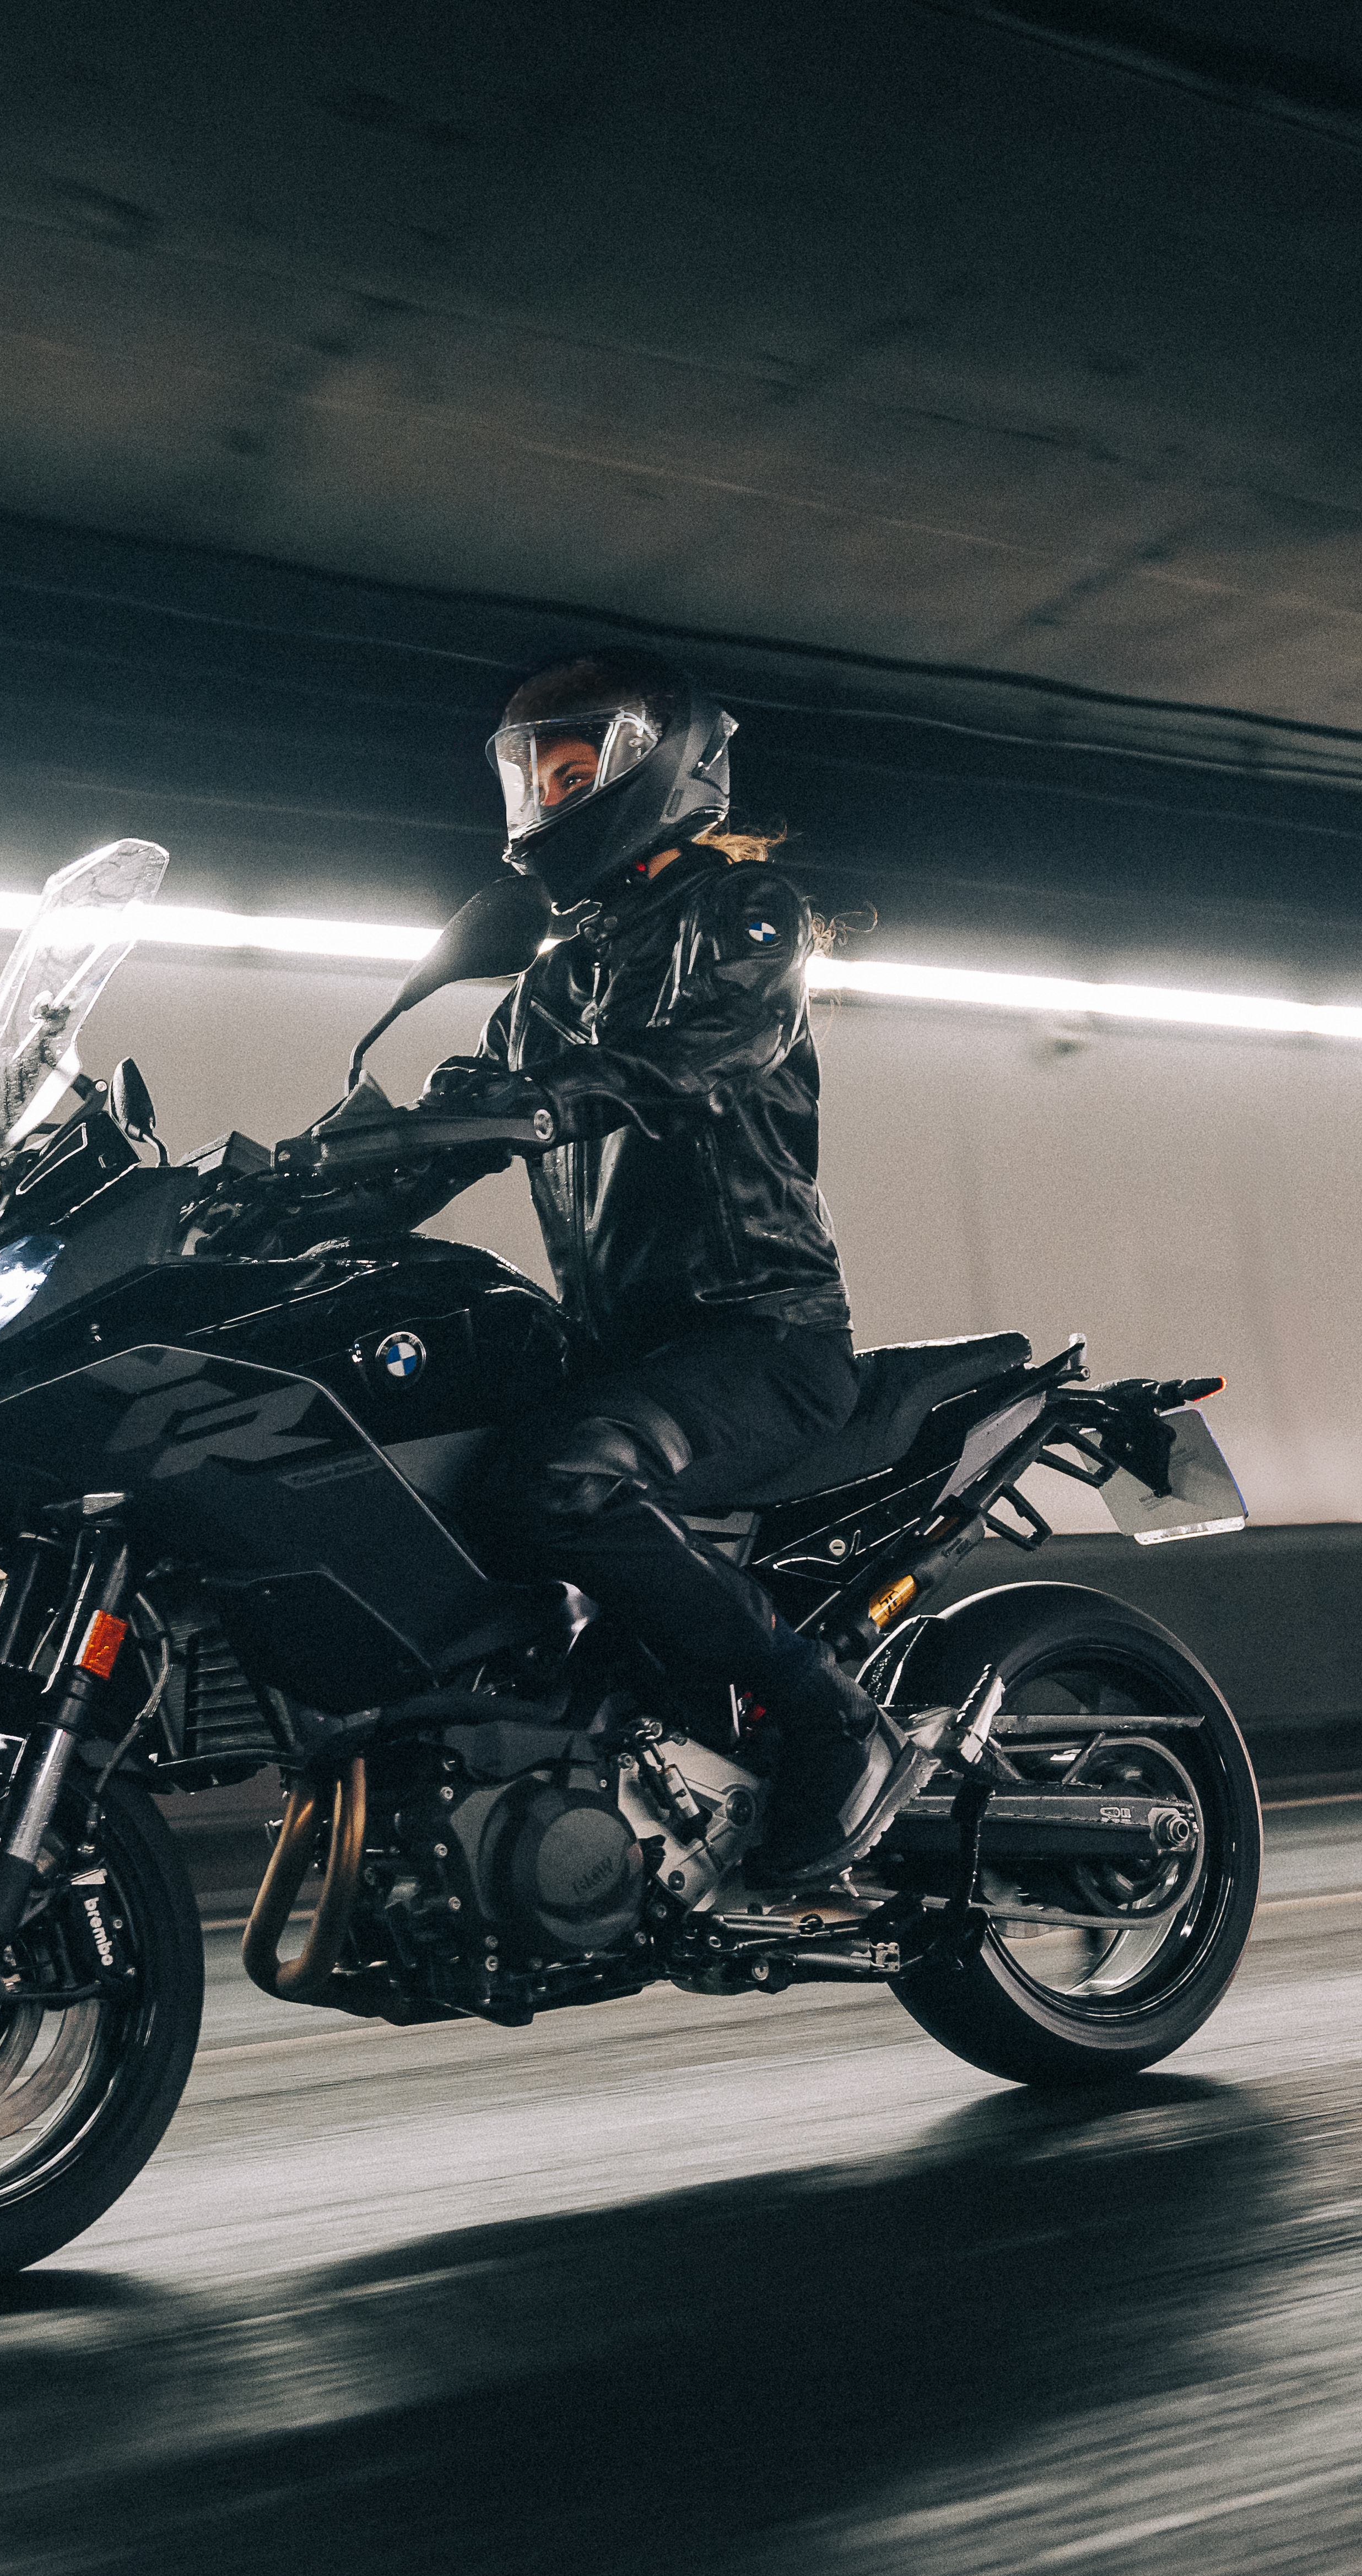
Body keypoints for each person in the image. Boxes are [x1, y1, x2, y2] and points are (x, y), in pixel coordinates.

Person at [418, 647, 920, 1881]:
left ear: (663, 764)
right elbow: (462, 1115)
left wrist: (546, 1101)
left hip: (760, 1336)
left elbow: (700, 1049)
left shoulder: (745, 917)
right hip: (624, 1351)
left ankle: (835, 1722)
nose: (543, 803)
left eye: (572, 769)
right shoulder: (544, 989)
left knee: (559, 1481)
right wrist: (297, 1182)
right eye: (529, 778)